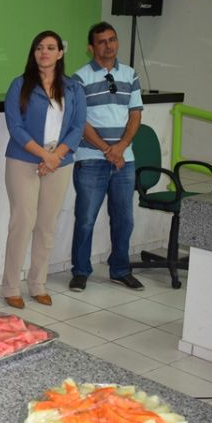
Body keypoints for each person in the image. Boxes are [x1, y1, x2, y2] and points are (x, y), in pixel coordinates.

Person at [2, 31, 86, 309]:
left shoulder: (73, 88)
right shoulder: (20, 85)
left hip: (59, 162)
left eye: (51, 48)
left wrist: (56, 156)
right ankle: (11, 287)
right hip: (24, 159)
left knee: (46, 225)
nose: (44, 52)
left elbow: (78, 127)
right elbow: (15, 126)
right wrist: (44, 156)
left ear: (60, 53)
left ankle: (38, 284)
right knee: (22, 222)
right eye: (39, 47)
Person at [69, 21, 145, 292]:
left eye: (112, 39)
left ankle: (120, 270)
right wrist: (106, 149)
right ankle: (80, 271)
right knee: (86, 219)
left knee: (124, 219)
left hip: (124, 159)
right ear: (91, 48)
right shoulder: (79, 78)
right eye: (101, 41)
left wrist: (121, 146)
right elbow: (80, 122)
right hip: (91, 158)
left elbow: (135, 115)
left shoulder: (130, 74)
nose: (108, 45)